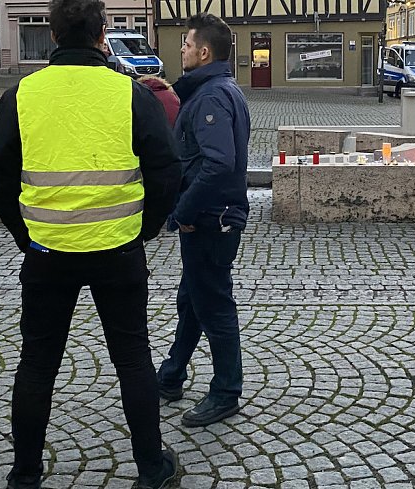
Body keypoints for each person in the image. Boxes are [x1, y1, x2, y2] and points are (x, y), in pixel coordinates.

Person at [0, 0, 181, 486]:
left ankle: (25, 474)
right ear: (102, 34)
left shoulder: (22, 94)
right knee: (132, 359)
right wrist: (146, 228)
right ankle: (151, 468)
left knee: (37, 363)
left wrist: (26, 233)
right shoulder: (130, 93)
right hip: (118, 249)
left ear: (52, 34)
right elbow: (168, 169)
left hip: (48, 252)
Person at [156, 13, 250, 428]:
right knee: (192, 300)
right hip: (210, 216)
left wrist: (184, 212)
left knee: (214, 305)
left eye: (187, 44)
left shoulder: (212, 96)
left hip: (211, 220)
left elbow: (218, 164)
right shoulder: (217, 89)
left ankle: (226, 392)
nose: (182, 49)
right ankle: (172, 375)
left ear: (205, 52)